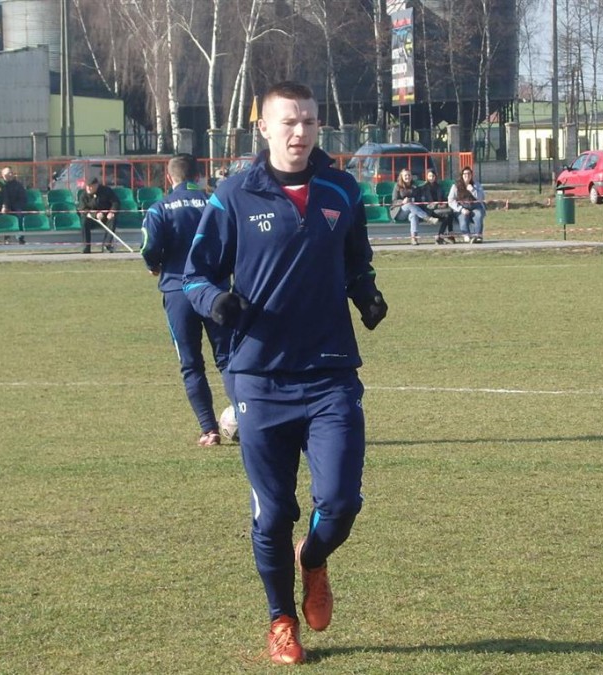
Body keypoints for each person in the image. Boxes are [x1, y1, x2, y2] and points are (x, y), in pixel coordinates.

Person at [183, 81, 387, 666]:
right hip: (259, 377)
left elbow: (356, 260)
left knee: (341, 502)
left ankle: (313, 559)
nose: (300, 132)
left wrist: (366, 293)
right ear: (265, 128)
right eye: (289, 121)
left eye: (310, 121)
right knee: (272, 514)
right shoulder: (234, 194)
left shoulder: (341, 189)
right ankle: (281, 620)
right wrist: (215, 302)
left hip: (329, 373)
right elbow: (195, 275)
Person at [140, 154, 231, 446]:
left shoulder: (160, 208)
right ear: (199, 176)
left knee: (191, 363)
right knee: (229, 360)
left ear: (170, 178)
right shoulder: (217, 202)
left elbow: (149, 245)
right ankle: (250, 418)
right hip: (215, 291)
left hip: (178, 291)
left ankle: (209, 429)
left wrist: (153, 264)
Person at [389, 168, 437, 245]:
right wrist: (402, 201)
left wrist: (412, 199)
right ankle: (428, 218)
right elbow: (394, 201)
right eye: (405, 175)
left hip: (413, 210)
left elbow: (418, 199)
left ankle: (414, 238)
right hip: (399, 212)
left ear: (411, 176)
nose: (407, 177)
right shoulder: (397, 186)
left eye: (409, 175)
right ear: (402, 176)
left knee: (413, 215)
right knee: (408, 204)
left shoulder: (414, 186)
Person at [77, 178, 121, 253]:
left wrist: (111, 212)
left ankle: (107, 245)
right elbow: (83, 209)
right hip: (91, 218)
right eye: (87, 186)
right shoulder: (83, 195)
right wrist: (95, 214)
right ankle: (86, 246)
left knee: (113, 220)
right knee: (84, 221)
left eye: (91, 186)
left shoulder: (106, 191)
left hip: (106, 217)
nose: (88, 188)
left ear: (96, 185)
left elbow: (116, 202)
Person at [448, 165, 486, 243]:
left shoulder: (476, 185)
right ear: (462, 175)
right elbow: (450, 200)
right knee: (463, 218)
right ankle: (466, 235)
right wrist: (461, 209)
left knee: (478, 215)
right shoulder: (455, 186)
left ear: (471, 175)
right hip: (461, 207)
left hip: (475, 206)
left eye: (469, 173)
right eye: (465, 174)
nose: (467, 175)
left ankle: (478, 236)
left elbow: (481, 198)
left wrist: (473, 190)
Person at [415, 168, 455, 244]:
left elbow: (443, 198)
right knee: (449, 213)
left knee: (448, 215)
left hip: (439, 210)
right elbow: (423, 203)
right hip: (429, 211)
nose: (431, 178)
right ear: (427, 177)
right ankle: (449, 235)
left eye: (433, 176)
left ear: (435, 177)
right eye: (430, 176)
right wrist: (436, 206)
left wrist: (444, 204)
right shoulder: (422, 188)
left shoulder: (439, 187)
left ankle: (440, 236)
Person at [0, 166, 29, 244]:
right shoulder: (0, 185)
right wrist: (4, 206)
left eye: (11, 172)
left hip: (16, 206)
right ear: (3, 174)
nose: (10, 174)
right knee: (3, 216)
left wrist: (17, 206)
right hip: (3, 206)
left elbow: (23, 198)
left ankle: (20, 238)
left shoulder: (18, 185)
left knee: (19, 215)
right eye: (8, 173)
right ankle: (5, 238)